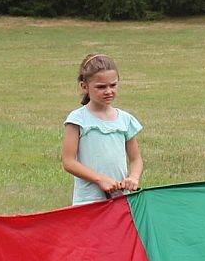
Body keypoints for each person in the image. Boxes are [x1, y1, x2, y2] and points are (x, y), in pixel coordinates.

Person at [61, 53, 143, 205]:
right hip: (88, 200)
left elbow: (136, 159)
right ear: (84, 87)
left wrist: (134, 177)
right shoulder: (77, 119)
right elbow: (68, 161)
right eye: (101, 87)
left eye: (113, 85)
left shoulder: (125, 119)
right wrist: (100, 179)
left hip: (120, 198)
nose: (108, 91)